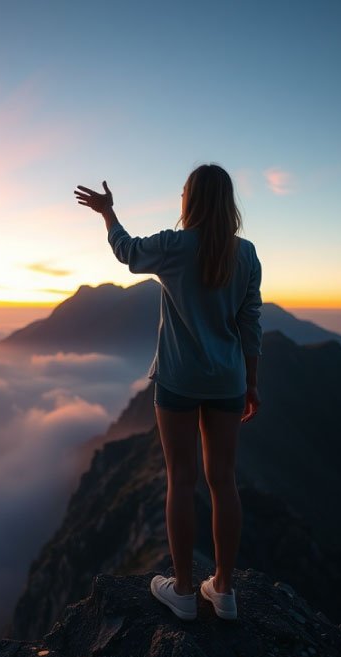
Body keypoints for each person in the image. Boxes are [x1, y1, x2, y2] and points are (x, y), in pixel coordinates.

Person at [73, 163, 262, 622]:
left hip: (178, 380)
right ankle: (224, 589)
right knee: (223, 482)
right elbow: (249, 323)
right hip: (228, 382)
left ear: (190, 200)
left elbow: (126, 252)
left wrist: (107, 214)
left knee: (181, 479)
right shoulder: (247, 254)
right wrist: (251, 383)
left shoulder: (175, 246)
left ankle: (181, 590)